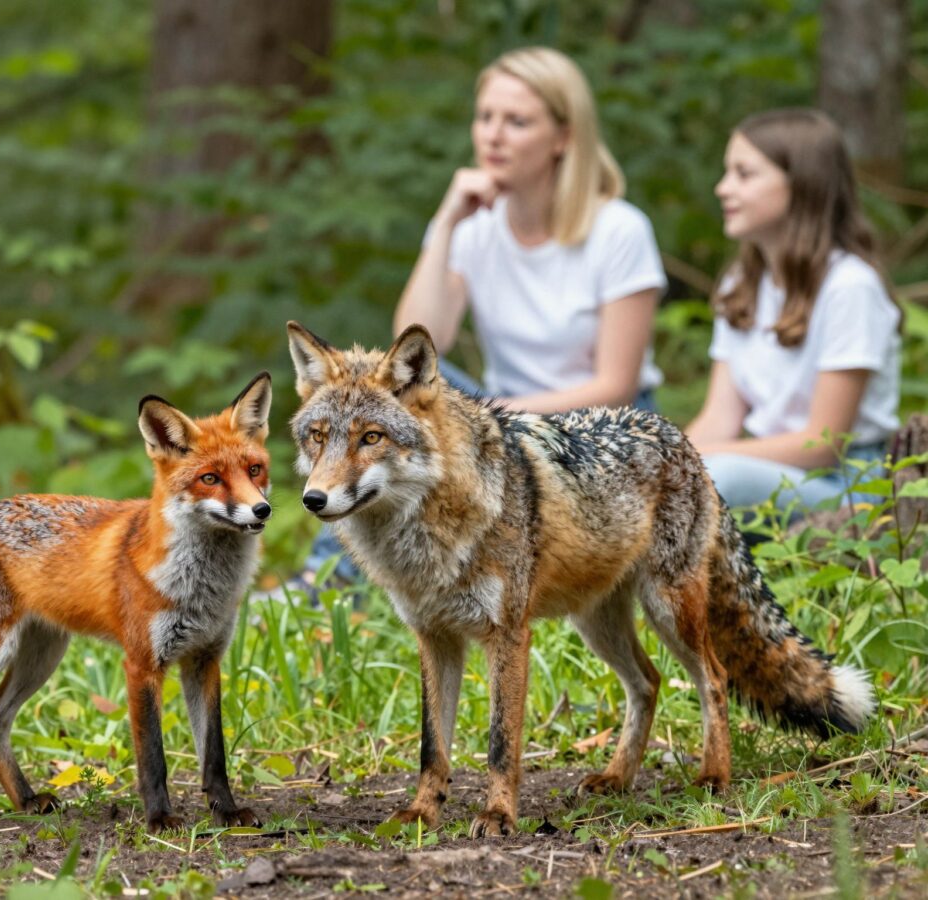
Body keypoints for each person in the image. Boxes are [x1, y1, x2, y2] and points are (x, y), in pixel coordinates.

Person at [291, 46, 667, 594]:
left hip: (602, 426)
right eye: (485, 117)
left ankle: (361, 580)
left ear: (563, 137)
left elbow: (617, 384)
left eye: (517, 121)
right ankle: (327, 579)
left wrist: (495, 417)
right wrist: (446, 222)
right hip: (503, 412)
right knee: (379, 398)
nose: (493, 135)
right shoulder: (474, 226)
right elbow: (418, 339)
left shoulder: (619, 230)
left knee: (415, 413)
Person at [686, 108, 901, 511]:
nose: (723, 188)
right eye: (727, 172)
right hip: (765, 467)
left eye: (744, 174)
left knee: (720, 478)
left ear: (802, 184)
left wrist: (698, 460)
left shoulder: (850, 287)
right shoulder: (741, 284)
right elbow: (719, 417)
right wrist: (667, 458)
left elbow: (823, 443)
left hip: (844, 481)